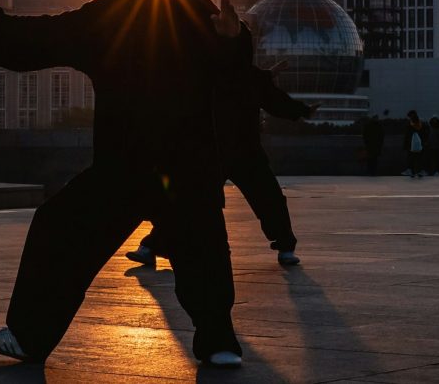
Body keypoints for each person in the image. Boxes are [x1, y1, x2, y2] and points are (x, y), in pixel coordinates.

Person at [0, 0, 251, 368]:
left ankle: (219, 342)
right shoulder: (107, 15)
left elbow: (234, 72)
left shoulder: (198, 10)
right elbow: (49, 35)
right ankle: (26, 336)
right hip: (123, 165)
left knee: (204, 251)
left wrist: (234, 40)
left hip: (184, 163)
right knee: (57, 227)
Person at [125, 64, 319, 268]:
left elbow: (272, 98)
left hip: (241, 151)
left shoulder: (239, 74)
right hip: (216, 150)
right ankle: (151, 246)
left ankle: (286, 246)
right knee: (193, 200)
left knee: (267, 198)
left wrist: (301, 109)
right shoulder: (218, 70)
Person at [401, 110, 429, 178]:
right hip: (420, 144)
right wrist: (425, 142)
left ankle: (411, 171)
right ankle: (420, 171)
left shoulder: (410, 125)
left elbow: (407, 136)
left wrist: (405, 145)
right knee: (419, 158)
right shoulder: (421, 124)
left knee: (411, 158)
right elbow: (425, 134)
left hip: (411, 145)